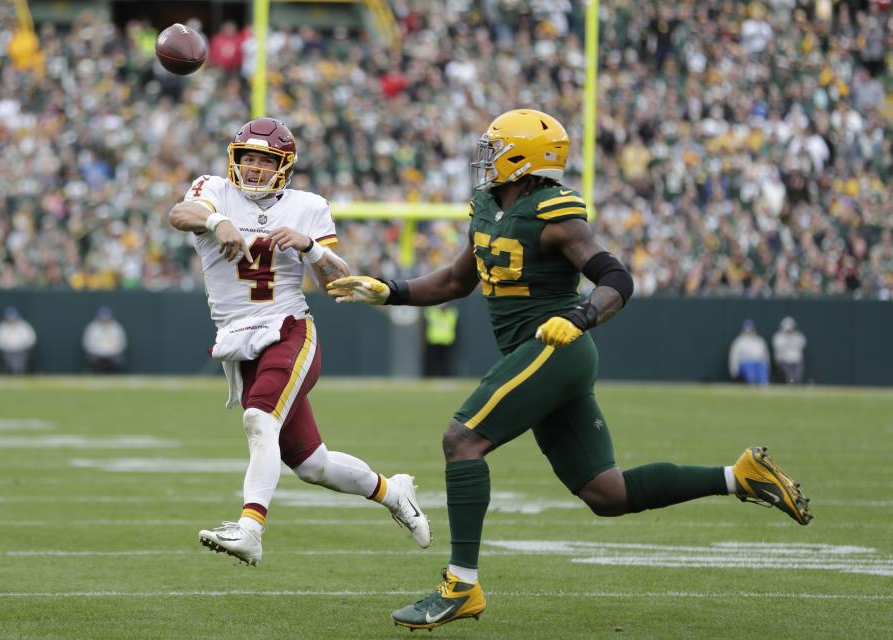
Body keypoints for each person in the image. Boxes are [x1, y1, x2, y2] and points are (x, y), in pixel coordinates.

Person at [327, 109, 812, 630]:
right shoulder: (488, 207)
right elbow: (453, 281)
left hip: (555, 347)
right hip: (533, 356)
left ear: (522, 157)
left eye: (495, 148)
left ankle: (461, 584)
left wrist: (579, 318)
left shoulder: (555, 215)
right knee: (607, 493)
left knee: (462, 440)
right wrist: (390, 291)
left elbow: (616, 279)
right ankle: (739, 477)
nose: (485, 159)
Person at [168, 117, 431, 567]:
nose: (252, 168)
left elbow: (339, 282)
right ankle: (394, 493)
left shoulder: (307, 206)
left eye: (263, 160)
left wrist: (311, 248)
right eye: (246, 158)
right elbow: (178, 214)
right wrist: (217, 221)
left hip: (288, 329)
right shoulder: (213, 189)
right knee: (313, 465)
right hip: (240, 341)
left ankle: (250, 528)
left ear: (283, 167)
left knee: (258, 419)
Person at [82, 306, 128, 373]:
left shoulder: (116, 328)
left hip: (113, 354)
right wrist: (100, 352)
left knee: (118, 359)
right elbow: (87, 344)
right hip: (97, 354)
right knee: (93, 359)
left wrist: (110, 352)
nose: (105, 319)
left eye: (107, 317)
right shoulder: (93, 328)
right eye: (103, 317)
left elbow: (122, 343)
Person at [0, 307, 36, 374]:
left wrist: (22, 347)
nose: (11, 319)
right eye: (10, 317)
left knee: (20, 361)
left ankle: (19, 372)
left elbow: (31, 339)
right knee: (9, 360)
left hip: (22, 351)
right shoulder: (1, 327)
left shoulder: (23, 326)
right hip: (7, 351)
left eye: (13, 317)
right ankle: (11, 372)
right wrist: (6, 348)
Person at [728, 319, 771, 385]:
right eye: (747, 330)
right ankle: (752, 387)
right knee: (751, 375)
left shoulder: (759, 341)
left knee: (762, 370)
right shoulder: (739, 341)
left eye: (750, 330)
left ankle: (764, 389)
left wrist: (767, 367)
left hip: (758, 363)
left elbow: (765, 355)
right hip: (745, 363)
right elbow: (734, 356)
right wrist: (734, 370)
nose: (749, 332)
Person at [423, 303, 459, 377]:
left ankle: (445, 377)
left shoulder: (451, 313)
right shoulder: (432, 312)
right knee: (432, 361)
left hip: (447, 341)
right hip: (433, 341)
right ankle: (432, 376)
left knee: (446, 362)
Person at [772, 316, 806, 384]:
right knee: (789, 376)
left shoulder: (798, 336)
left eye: (790, 330)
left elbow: (802, 344)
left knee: (797, 375)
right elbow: (779, 347)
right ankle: (790, 382)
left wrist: (790, 341)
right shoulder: (778, 337)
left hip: (796, 361)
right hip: (784, 361)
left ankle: (794, 382)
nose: (789, 332)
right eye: (787, 330)